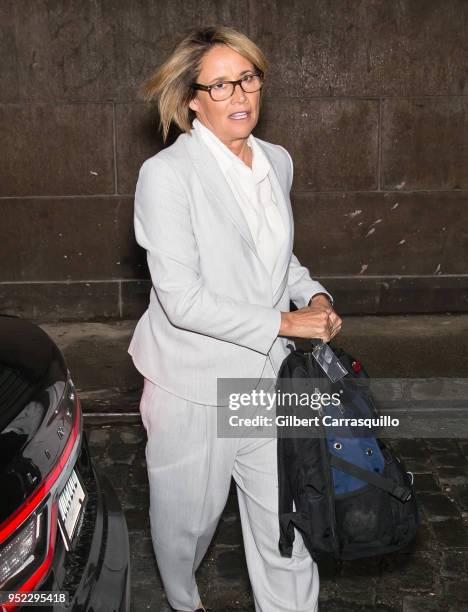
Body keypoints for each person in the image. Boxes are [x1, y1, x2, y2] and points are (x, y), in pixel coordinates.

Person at [128, 25, 342, 612]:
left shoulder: (276, 161)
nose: (240, 95)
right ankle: (184, 601)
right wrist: (284, 323)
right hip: (194, 387)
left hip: (269, 380)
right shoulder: (167, 176)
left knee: (287, 522)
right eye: (220, 85)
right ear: (192, 98)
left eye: (248, 77)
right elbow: (182, 299)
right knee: (186, 528)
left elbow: (275, 256)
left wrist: (311, 295)